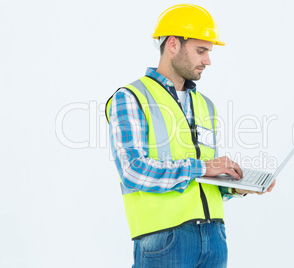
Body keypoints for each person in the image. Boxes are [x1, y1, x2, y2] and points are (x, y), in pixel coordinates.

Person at [106, 4, 276, 267]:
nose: (208, 60)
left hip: (214, 238)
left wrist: (234, 187)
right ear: (173, 44)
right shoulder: (131, 98)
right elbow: (133, 170)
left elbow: (203, 178)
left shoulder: (206, 105)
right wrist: (203, 167)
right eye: (201, 51)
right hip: (164, 241)